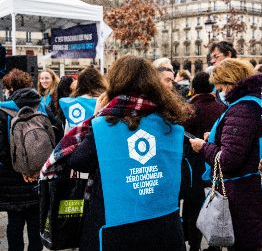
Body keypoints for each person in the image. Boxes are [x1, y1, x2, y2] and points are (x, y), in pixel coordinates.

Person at [65, 55, 189, 251]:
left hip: (117, 226)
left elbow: (79, 161)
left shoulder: (106, 124)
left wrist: (97, 115)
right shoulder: (171, 121)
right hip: (164, 222)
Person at [190, 59, 262, 251]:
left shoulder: (242, 108)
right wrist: (215, 137)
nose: (219, 92)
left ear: (229, 82)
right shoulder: (253, 102)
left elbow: (228, 159)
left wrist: (203, 146)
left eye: (220, 87)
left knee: (242, 243)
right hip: (250, 189)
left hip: (241, 194)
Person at [0, 69, 53, 251]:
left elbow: (1, 149)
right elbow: (57, 136)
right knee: (36, 223)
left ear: (11, 88)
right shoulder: (43, 107)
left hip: (12, 178)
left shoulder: (2, 109)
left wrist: (22, 169)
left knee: (14, 223)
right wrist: (39, 169)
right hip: (40, 176)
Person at [181, 72, 225, 251]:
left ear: (193, 89)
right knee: (214, 204)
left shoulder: (189, 109)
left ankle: (194, 244)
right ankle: (214, 244)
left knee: (193, 206)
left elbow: (182, 140)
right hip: (216, 164)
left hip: (194, 167)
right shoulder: (221, 108)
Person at [59, 66, 107, 132]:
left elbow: (67, 133)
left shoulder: (70, 104)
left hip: (78, 140)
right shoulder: (108, 101)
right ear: (100, 80)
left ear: (79, 83)